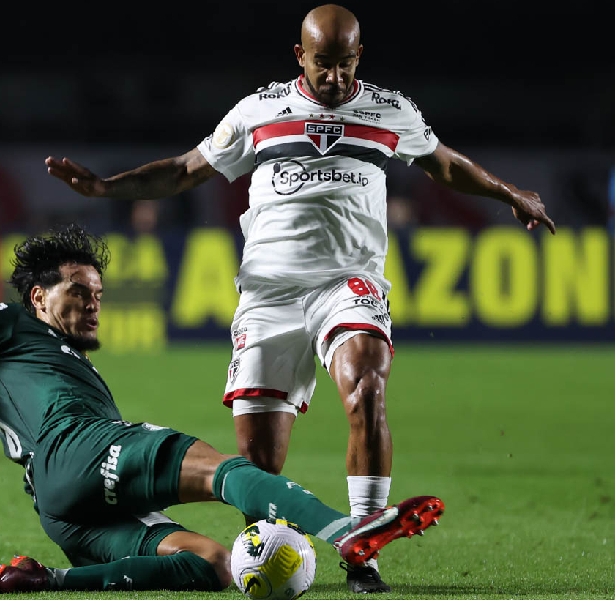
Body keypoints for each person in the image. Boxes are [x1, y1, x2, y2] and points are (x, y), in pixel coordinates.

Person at [44, 4, 554, 593]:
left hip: (348, 281)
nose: (335, 77)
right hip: (268, 296)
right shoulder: (258, 111)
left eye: (345, 64)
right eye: (323, 64)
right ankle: (270, 558)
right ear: (299, 56)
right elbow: (186, 171)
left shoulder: (391, 110)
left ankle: (364, 550)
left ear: (359, 56)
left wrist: (508, 191)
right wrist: (107, 188)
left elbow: (445, 165)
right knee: (259, 461)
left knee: (366, 381)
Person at [0, 225, 444, 594]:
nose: (91, 301)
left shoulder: (66, 363)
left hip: (63, 509)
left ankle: (46, 582)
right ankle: (345, 530)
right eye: (78, 291)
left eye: (97, 292)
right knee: (221, 470)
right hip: (79, 450)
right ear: (39, 297)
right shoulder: (11, 325)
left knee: (216, 566)